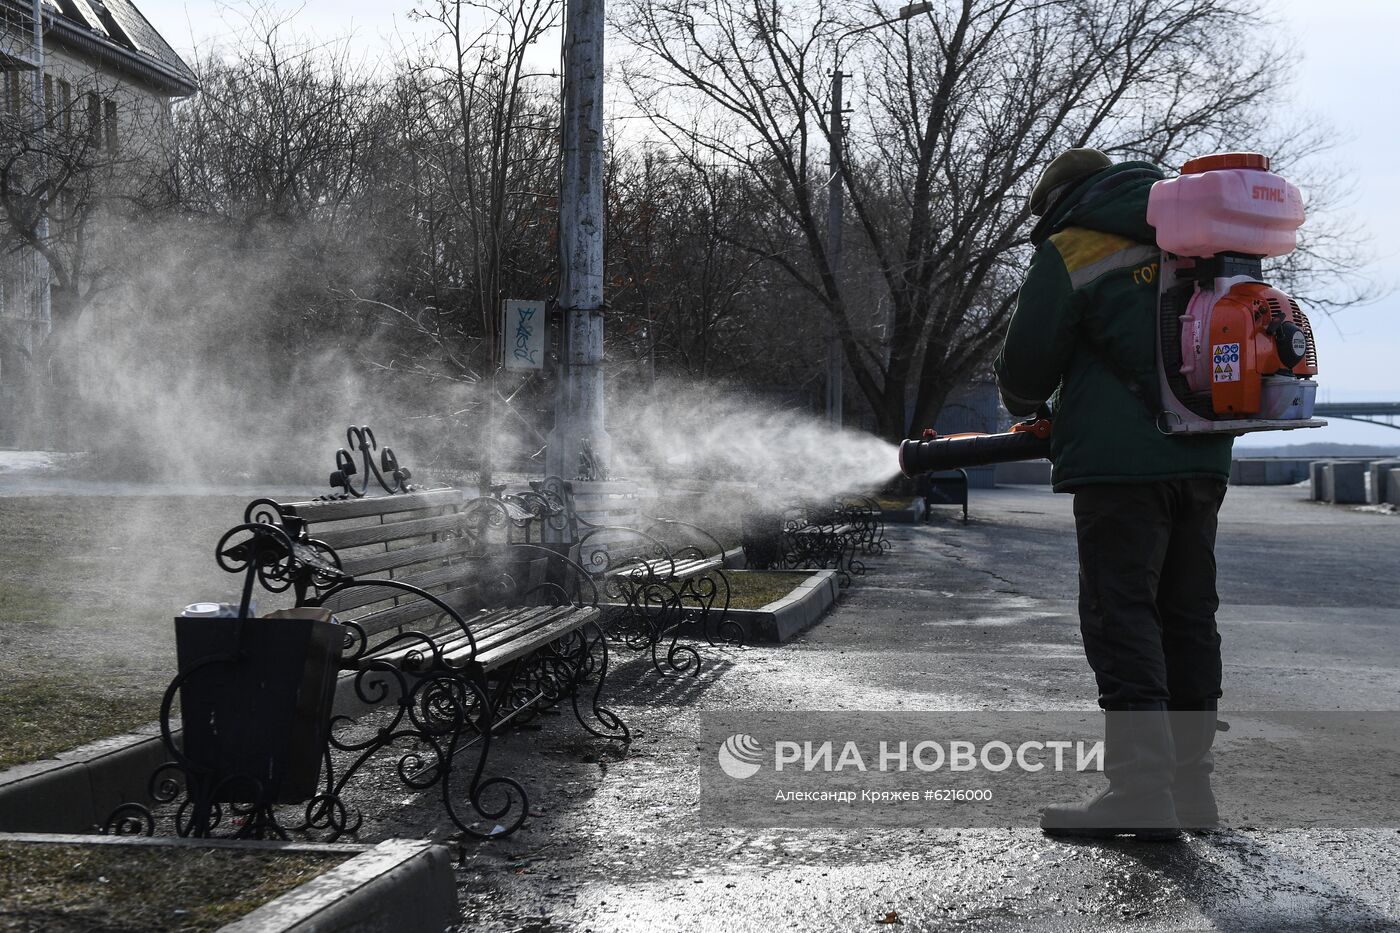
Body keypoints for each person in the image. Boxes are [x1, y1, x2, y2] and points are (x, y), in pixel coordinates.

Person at [993, 148, 1232, 839]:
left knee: (1121, 616)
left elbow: (1026, 368)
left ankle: (1140, 792)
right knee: (1187, 617)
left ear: (1061, 199)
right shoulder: (1195, 237)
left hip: (1119, 469)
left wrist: (1033, 399)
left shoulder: (1074, 244)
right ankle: (1192, 791)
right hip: (1204, 457)